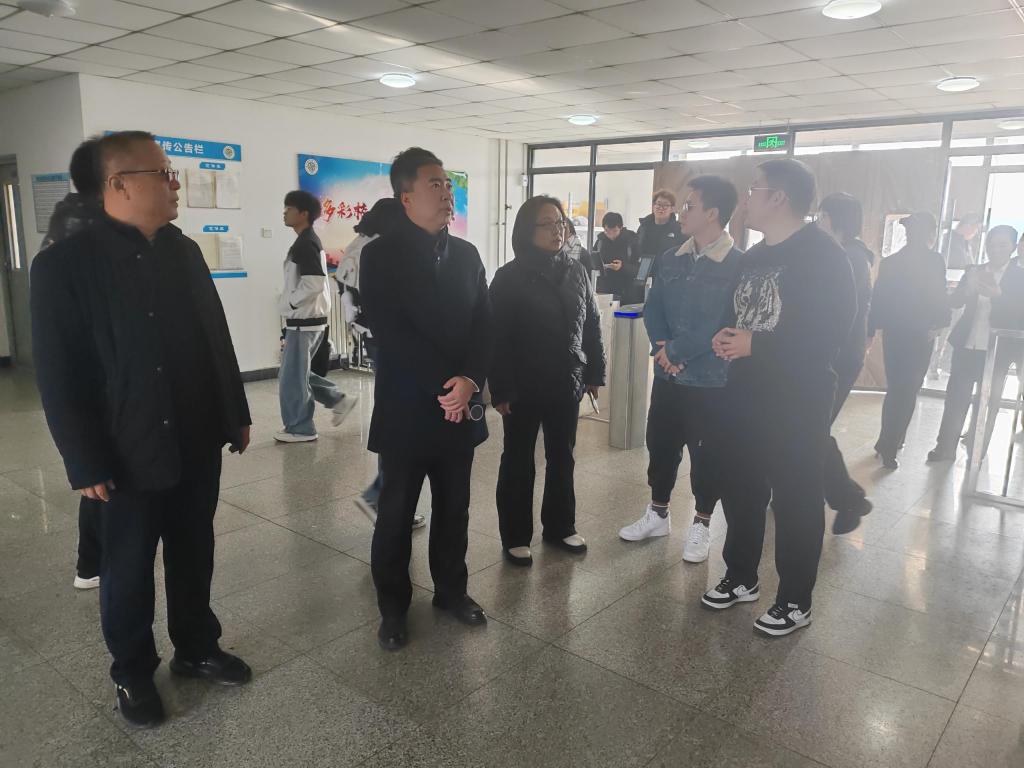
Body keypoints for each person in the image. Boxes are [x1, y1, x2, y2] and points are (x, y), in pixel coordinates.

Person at [31, 130, 253, 728]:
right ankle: (131, 670)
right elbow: (59, 374)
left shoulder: (183, 250)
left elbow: (215, 337)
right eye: (163, 173)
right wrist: (84, 460)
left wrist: (235, 411)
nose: (175, 183)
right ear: (119, 185)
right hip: (125, 450)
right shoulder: (65, 266)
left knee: (194, 550)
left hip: (195, 436)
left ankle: (196, 648)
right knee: (127, 568)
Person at [704, 159, 856, 637]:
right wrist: (725, 336)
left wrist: (756, 344)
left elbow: (830, 333)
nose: (746, 198)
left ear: (779, 198)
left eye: (755, 189)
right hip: (744, 393)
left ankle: (794, 600)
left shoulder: (824, 256)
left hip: (797, 398)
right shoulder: (753, 256)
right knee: (741, 488)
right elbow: (736, 313)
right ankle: (741, 576)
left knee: (796, 498)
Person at [360, 147, 491, 651]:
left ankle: (451, 592)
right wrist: (446, 386)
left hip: (461, 406)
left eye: (448, 184)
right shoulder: (381, 256)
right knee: (396, 514)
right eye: (435, 184)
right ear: (406, 196)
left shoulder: (467, 255)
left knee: (455, 508)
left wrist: (470, 380)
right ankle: (393, 608)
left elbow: (484, 324)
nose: (446, 193)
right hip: (409, 408)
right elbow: (392, 332)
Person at [618, 175, 742, 564]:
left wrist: (677, 351)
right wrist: (663, 348)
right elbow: (654, 305)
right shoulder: (671, 257)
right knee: (661, 445)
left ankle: (702, 523)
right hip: (668, 375)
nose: (681, 212)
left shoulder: (738, 264)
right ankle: (657, 514)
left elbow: (724, 323)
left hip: (710, 381)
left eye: (689, 206)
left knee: (707, 456)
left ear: (713, 213)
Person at [489, 196, 605, 566]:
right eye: (547, 224)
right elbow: (496, 337)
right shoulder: (508, 277)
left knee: (562, 456)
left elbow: (591, 324)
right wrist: (501, 388)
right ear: (527, 230)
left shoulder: (576, 270)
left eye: (561, 223)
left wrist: (594, 373)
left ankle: (559, 526)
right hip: (523, 385)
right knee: (519, 459)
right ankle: (515, 535)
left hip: (566, 379)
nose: (558, 231)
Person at [40, 138, 106, 591]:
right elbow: (58, 368)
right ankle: (91, 562)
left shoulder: (69, 218)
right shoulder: (85, 236)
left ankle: (90, 561)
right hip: (99, 385)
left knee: (102, 485)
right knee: (102, 483)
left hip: (100, 385)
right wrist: (81, 460)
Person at [342, 197, 424, 530]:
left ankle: (384, 496)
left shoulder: (357, 246)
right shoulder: (378, 250)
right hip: (389, 341)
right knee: (401, 420)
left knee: (395, 415)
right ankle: (383, 498)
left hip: (371, 337)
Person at [927, 225, 1024, 462]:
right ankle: (945, 448)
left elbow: (1019, 315)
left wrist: (998, 295)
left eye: (1002, 245)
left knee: (988, 402)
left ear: (1013, 247)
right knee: (956, 397)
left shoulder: (1019, 277)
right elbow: (955, 302)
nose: (996, 249)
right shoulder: (974, 270)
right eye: (992, 244)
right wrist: (967, 290)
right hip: (967, 344)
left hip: (997, 351)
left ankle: (977, 448)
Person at [869, 212, 950, 469]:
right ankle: (891, 443)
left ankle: (887, 440)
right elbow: (939, 294)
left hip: (895, 333)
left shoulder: (891, 262)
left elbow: (878, 297)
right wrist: (940, 323)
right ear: (930, 234)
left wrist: (873, 328)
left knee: (896, 388)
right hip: (921, 333)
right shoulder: (935, 261)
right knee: (909, 389)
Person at [816, 193, 874, 534]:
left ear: (834, 219)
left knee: (812, 428)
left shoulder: (850, 257)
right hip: (831, 354)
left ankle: (849, 499)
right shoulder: (840, 253)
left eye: (822, 215)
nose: (818, 221)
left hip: (836, 357)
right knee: (809, 428)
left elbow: (838, 314)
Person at [275, 190, 353, 443]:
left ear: (303, 214)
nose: (285, 213)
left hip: (305, 322)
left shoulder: (306, 243)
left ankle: (301, 428)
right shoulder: (305, 241)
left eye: (289, 208)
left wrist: (290, 302)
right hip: (306, 320)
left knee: (292, 378)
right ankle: (338, 399)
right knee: (297, 374)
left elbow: (315, 283)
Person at [592, 211, 639, 302]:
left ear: (621, 228)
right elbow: (593, 260)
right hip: (604, 290)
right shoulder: (600, 241)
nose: (611, 235)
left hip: (626, 291)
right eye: (607, 231)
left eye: (614, 231)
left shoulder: (631, 241)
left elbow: (639, 269)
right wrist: (601, 266)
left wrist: (622, 266)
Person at [636, 188, 684, 265]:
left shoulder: (678, 229)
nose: (661, 208)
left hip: (667, 269)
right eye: (658, 204)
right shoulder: (644, 226)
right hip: (645, 268)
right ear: (653, 206)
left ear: (672, 209)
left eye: (665, 205)